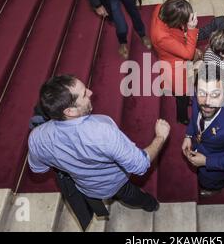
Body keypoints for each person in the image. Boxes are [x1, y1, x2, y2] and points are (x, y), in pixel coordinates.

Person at [28, 75, 170, 215]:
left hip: (88, 188)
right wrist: (160, 136)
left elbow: (38, 169)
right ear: (70, 111)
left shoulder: (36, 138)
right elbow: (140, 165)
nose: (90, 92)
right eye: (84, 94)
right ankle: (151, 205)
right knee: (133, 195)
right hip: (116, 183)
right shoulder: (102, 131)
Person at [182, 64, 224, 197]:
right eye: (202, 93)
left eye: (215, 94)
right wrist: (188, 135)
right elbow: (194, 117)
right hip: (199, 145)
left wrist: (207, 162)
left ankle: (214, 189)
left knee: (209, 183)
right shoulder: (198, 98)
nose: (207, 102)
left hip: (215, 170)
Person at [150, 0, 202, 125]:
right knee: (182, 95)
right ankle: (182, 117)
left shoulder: (160, 7)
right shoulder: (161, 36)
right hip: (174, 67)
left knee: (182, 92)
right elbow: (188, 54)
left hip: (172, 54)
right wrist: (190, 30)